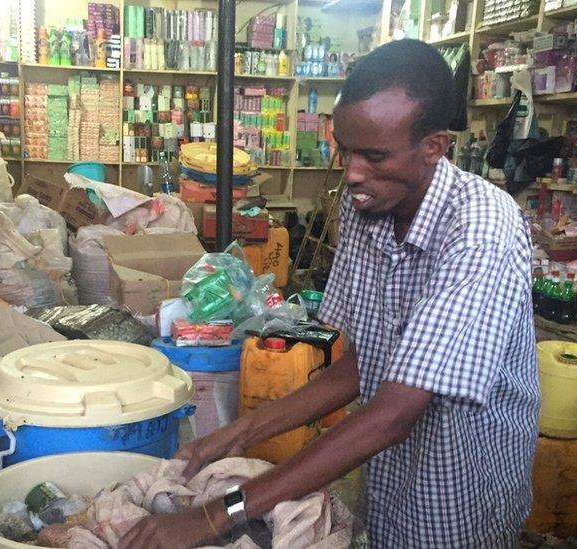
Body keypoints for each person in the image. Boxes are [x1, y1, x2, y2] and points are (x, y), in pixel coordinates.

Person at [122, 39, 540, 549]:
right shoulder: (372, 206)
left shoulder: (481, 231)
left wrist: (215, 516)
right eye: (346, 148)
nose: (353, 171)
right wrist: (232, 437)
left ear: (433, 146)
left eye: (375, 155)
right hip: (389, 469)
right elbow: (363, 364)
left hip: (462, 478)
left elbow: (394, 412)